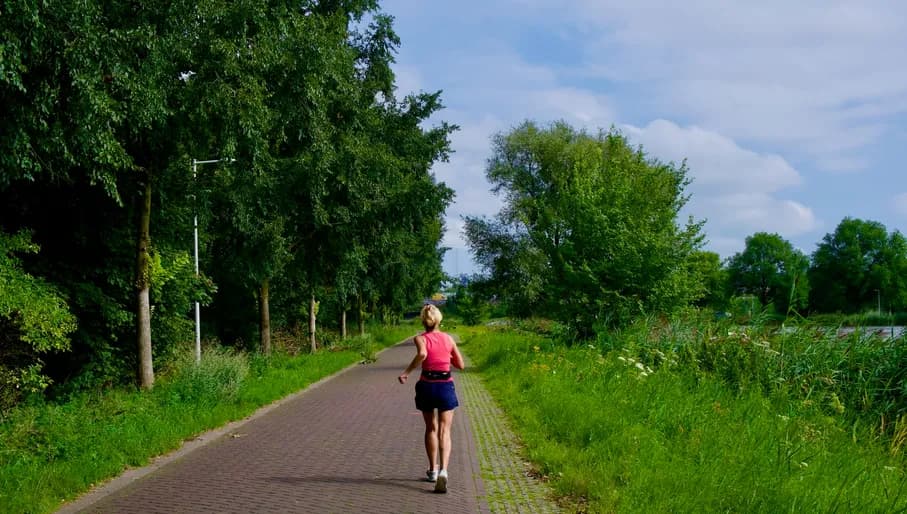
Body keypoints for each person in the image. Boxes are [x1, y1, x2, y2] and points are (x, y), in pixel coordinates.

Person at [398, 304, 465, 493]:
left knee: (431, 428)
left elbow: (422, 354)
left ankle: (433, 470)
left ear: (423, 321)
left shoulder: (420, 338)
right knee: (445, 430)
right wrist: (447, 355)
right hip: (445, 385)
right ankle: (444, 470)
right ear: (439, 320)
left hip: (427, 385)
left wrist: (406, 372)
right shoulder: (448, 339)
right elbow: (460, 364)